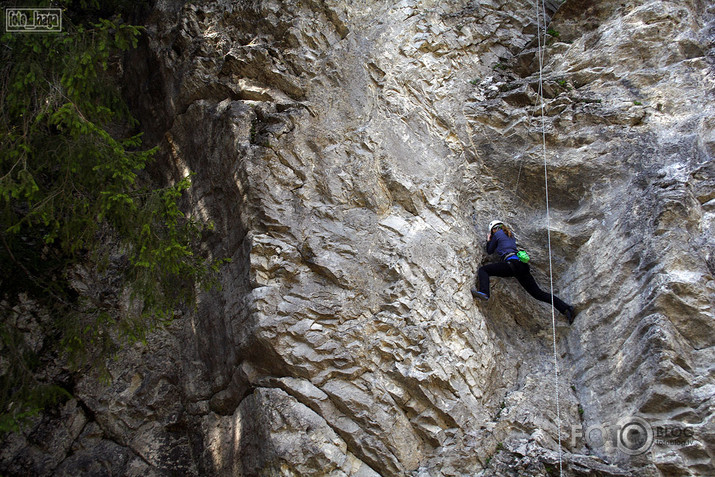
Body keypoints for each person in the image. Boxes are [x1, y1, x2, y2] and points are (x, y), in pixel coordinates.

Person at [471, 220, 576, 324]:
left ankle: (484, 293)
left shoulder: (498, 233)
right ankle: (566, 309)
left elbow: (489, 250)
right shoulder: (510, 235)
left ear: (494, 229)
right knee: (538, 293)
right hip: (522, 266)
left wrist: (489, 239)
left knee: (484, 270)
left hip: (511, 265)